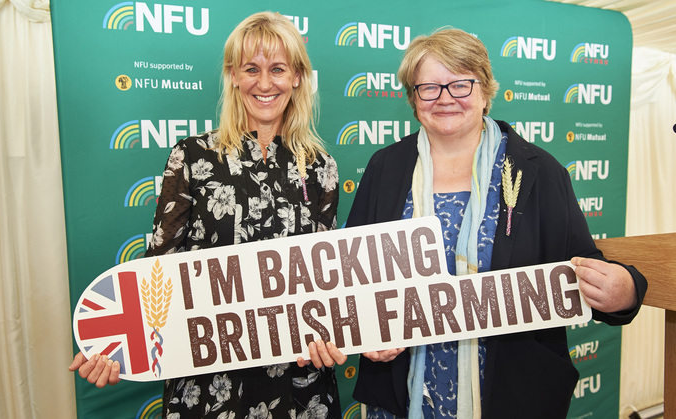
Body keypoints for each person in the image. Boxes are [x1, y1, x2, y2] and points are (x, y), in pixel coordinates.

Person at [345, 28, 647, 419]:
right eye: (429, 87)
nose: (445, 98)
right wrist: (370, 330)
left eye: (460, 84)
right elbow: (352, 278)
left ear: (486, 91)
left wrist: (624, 290)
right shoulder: (385, 168)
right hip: (402, 397)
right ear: (413, 97)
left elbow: (584, 267)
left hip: (512, 396)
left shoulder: (540, 172)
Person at [69, 11, 346, 418]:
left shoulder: (321, 167)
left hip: (299, 386)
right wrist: (115, 349)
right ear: (234, 75)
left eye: (278, 69)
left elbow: (325, 279)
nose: (265, 83)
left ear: (298, 77)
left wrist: (328, 333)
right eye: (251, 69)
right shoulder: (191, 157)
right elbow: (157, 272)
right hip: (209, 385)